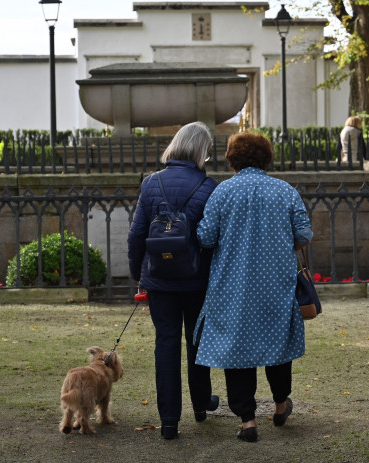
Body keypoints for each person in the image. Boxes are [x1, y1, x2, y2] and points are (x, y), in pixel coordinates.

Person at [193, 131, 313, 442]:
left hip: (232, 286)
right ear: (266, 157)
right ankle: (279, 403)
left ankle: (247, 421)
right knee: (278, 344)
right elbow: (303, 234)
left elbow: (205, 237)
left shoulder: (222, 193)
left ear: (232, 159)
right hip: (276, 282)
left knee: (237, 349)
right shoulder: (285, 191)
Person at [127, 121, 220, 440]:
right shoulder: (209, 187)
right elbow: (213, 239)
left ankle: (168, 420)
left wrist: (140, 276)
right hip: (196, 281)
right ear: (201, 152)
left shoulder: (151, 183)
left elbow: (137, 235)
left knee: (165, 344)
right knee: (197, 344)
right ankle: (200, 405)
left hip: (160, 280)